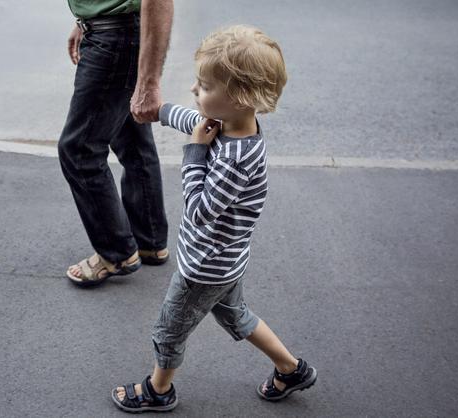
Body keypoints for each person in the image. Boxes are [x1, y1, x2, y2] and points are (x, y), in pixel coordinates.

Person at [111, 25, 317, 413]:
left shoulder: (235, 158)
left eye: (204, 86)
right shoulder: (232, 124)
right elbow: (198, 121)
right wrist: (158, 112)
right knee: (237, 315)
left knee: (169, 330)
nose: (194, 89)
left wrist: (193, 154)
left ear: (238, 97)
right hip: (227, 261)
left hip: (203, 267)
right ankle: (291, 369)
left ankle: (159, 390)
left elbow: (200, 211)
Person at [59, 1, 174, 286]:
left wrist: (149, 83)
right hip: (113, 32)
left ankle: (116, 253)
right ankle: (149, 241)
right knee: (131, 138)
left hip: (116, 40)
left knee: (80, 150)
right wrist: (85, 20)